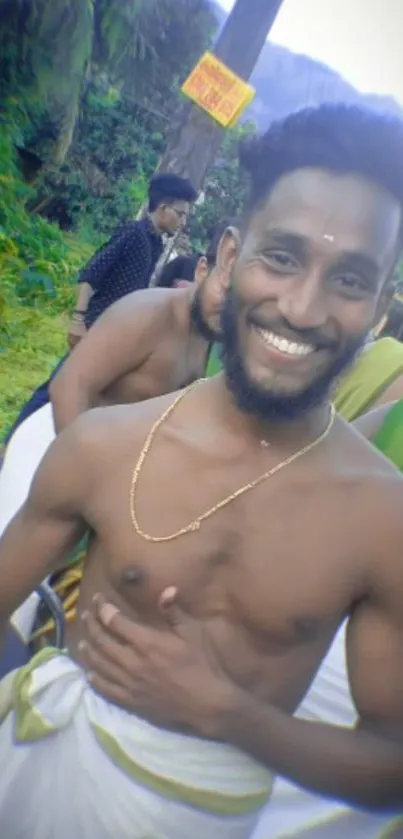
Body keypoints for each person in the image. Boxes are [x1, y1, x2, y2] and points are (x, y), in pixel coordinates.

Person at [1, 104, 403, 838]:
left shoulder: (384, 520)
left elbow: (390, 765)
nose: (302, 306)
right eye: (279, 256)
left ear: (378, 307)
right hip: (39, 784)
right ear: (227, 255)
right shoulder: (105, 446)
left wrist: (229, 714)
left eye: (349, 280)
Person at [0, 230, 227, 657]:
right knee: (20, 587)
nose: (229, 308)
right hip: (53, 440)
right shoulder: (148, 313)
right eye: (224, 289)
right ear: (202, 268)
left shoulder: (208, 340)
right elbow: (71, 384)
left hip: (106, 469)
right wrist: (87, 478)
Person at [2, 173, 197, 446]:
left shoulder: (153, 243)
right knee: (56, 388)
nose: (183, 221)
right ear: (163, 207)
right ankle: (10, 444)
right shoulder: (133, 233)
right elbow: (91, 273)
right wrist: (78, 319)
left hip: (112, 336)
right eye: (180, 213)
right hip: (94, 329)